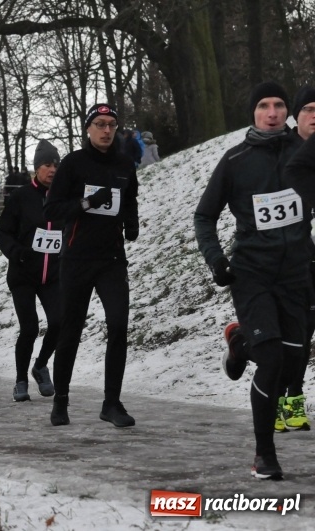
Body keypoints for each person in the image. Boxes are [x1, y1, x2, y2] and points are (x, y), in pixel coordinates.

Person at [195, 81, 307, 480]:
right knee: (273, 359)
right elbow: (204, 216)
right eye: (263, 105)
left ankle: (241, 341)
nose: (273, 112)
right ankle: (264, 454)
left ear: (288, 112)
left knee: (294, 364)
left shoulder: (304, 153)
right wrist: (216, 260)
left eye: (279, 104)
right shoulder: (235, 159)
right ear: (253, 113)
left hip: (297, 274)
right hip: (252, 273)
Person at [44, 103, 140, 428]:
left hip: (111, 259)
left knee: (118, 324)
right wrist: (86, 203)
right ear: (88, 128)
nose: (106, 130)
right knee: (70, 330)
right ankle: (60, 401)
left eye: (111, 124)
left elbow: (130, 198)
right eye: (99, 124)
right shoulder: (73, 163)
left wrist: (132, 222)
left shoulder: (125, 164)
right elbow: (52, 208)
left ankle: (111, 403)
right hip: (76, 260)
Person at [0, 139, 64, 401]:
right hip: (23, 275)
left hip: (53, 276)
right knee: (29, 327)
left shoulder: (63, 196)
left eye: (56, 164)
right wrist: (18, 253)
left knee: (59, 322)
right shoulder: (21, 197)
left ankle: (40, 366)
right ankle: (21, 380)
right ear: (37, 168)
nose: (53, 170)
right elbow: (3, 234)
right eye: (47, 165)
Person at [276, 86, 315, 432]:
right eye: (309, 109)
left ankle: (294, 399)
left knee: (306, 332)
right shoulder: (281, 151)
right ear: (296, 115)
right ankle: (275, 398)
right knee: (290, 331)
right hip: (284, 259)